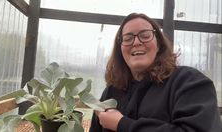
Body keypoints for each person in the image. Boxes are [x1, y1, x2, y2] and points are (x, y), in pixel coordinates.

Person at [89, 13, 222, 132]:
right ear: (120, 49)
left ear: (158, 45)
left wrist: (122, 124)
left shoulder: (188, 82)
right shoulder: (111, 91)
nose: (136, 42)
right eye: (128, 38)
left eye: (145, 35)